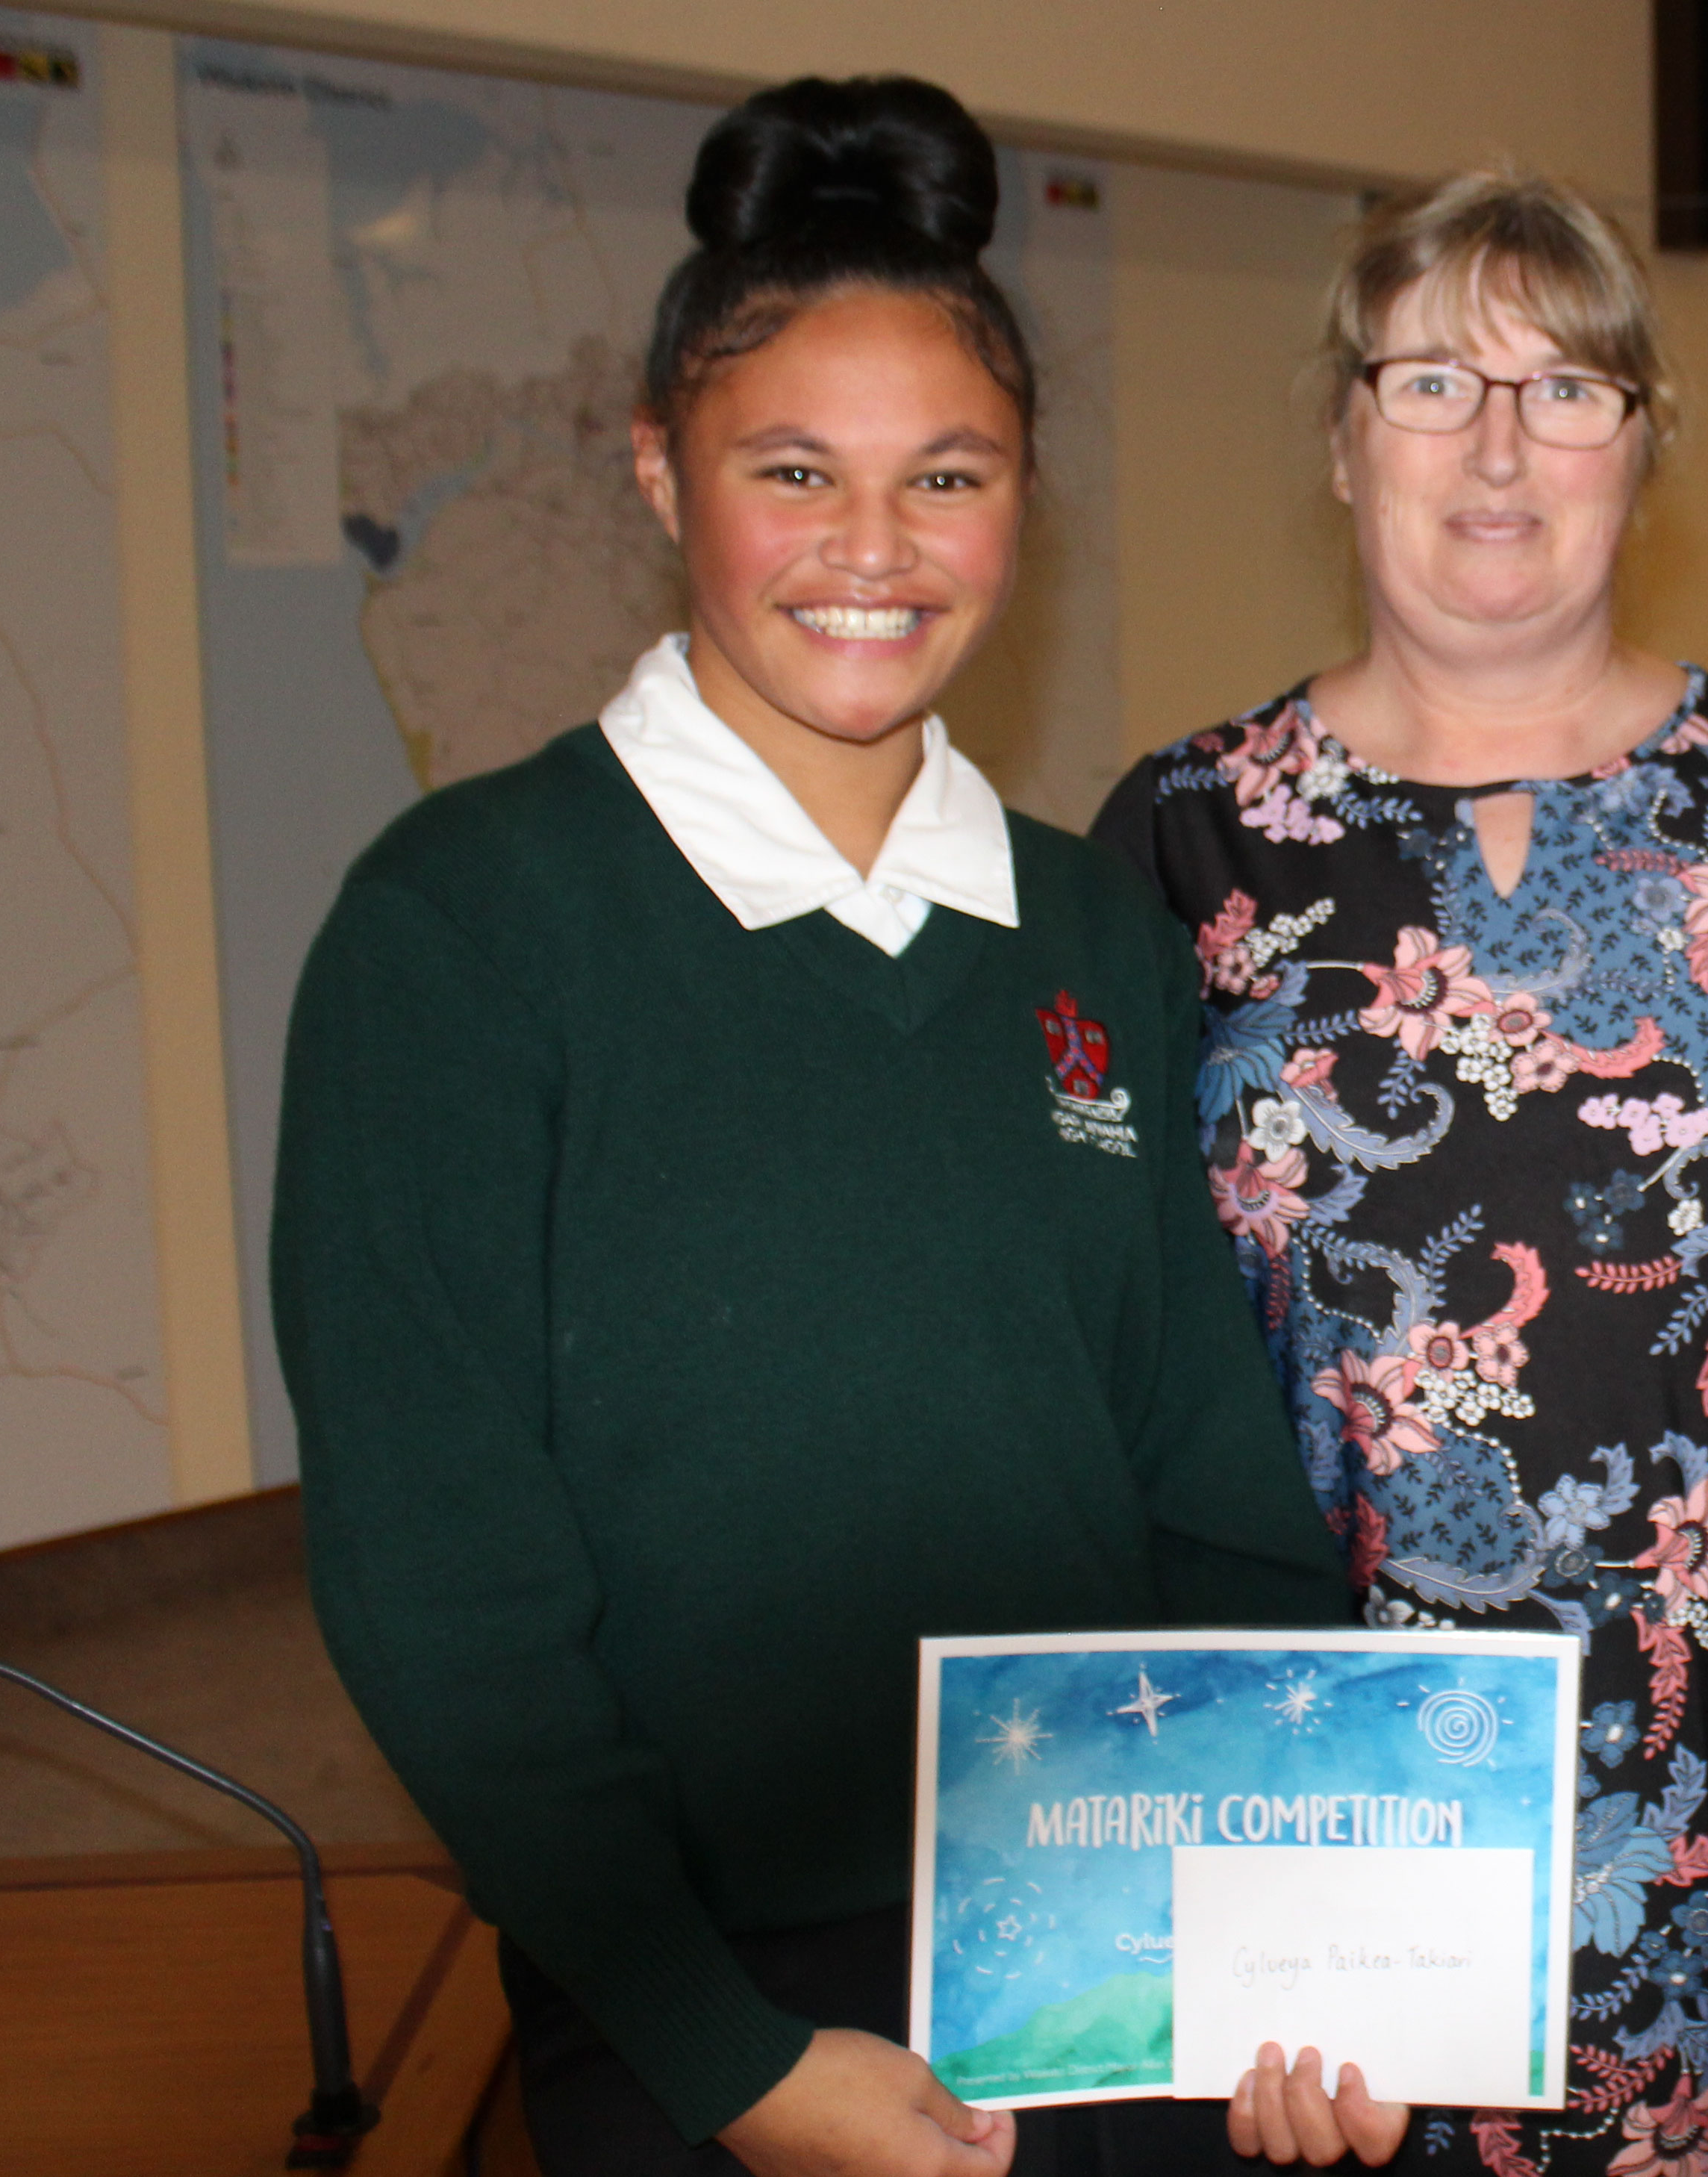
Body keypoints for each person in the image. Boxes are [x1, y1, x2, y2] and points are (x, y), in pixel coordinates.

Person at [275, 77, 1342, 2177]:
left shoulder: (1088, 926)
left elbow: (1207, 1468)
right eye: (795, 472)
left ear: (1026, 497)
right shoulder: (462, 929)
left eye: (946, 475)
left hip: (1122, 1933)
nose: (875, 549)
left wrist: (1290, 1911)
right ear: (662, 477)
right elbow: (442, 1580)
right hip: (693, 1995)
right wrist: (734, 2054)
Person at [1091, 169, 1708, 2177]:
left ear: (1643, 448)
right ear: (1338, 434)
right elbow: (1108, 1378)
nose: (1497, 448)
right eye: (1432, 383)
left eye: (1567, 389)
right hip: (1333, 1822)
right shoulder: (1182, 839)